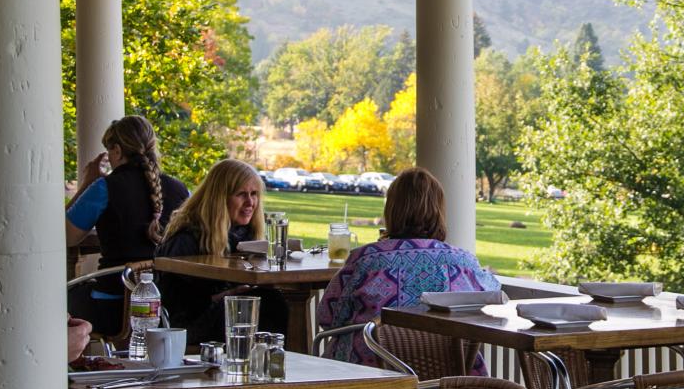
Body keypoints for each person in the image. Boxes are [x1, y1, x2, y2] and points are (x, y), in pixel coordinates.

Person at [316, 167, 501, 371]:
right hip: (447, 378)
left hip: (369, 375)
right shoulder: (464, 263)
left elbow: (328, 317)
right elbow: (493, 293)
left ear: (392, 209)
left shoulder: (366, 260)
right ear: (439, 211)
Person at [65, 116, 189, 333]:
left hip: (113, 306)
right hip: (167, 306)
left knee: (65, 296)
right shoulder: (180, 190)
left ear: (118, 151)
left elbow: (68, 237)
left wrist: (86, 183)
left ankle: (81, 362)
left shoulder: (105, 187)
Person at [156, 159, 287, 344]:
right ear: (220, 198)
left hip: (228, 315)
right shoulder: (187, 238)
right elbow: (172, 303)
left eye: (254, 194)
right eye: (241, 194)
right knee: (269, 304)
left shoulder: (244, 234)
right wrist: (222, 297)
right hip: (187, 326)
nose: (250, 202)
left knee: (272, 300)